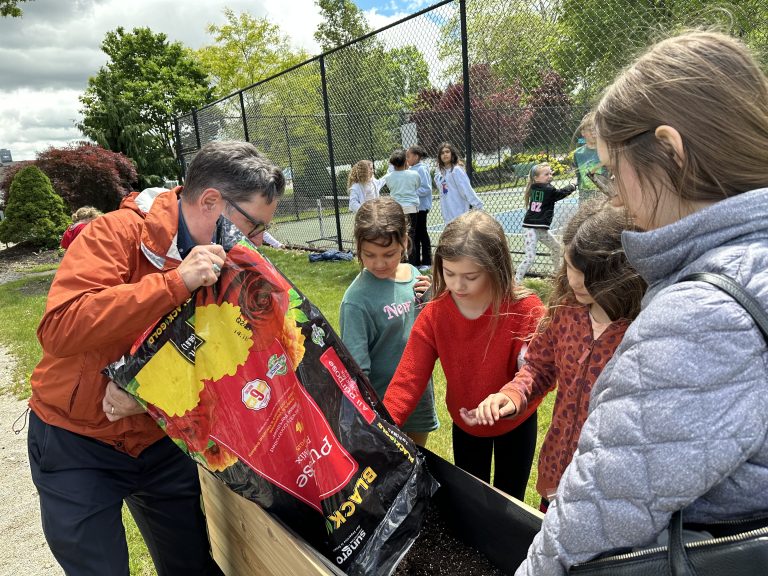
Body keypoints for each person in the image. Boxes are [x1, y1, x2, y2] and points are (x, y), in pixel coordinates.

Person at [514, 30, 768, 575]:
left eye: (612, 171)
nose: (615, 197)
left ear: (671, 153)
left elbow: (594, 518)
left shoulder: (702, 317)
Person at [27, 140, 285, 576]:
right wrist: (174, 283)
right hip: (77, 441)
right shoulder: (113, 234)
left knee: (191, 564)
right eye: (254, 226)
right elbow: (59, 328)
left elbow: (218, 356)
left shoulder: (232, 262)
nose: (259, 241)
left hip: (159, 437)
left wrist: (147, 394)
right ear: (211, 202)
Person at [460, 200, 646, 512]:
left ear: (622, 273)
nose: (575, 282)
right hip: (557, 469)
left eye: (589, 275)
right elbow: (539, 365)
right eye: (571, 268)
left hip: (609, 487)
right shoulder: (565, 309)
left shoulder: (643, 328)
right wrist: (513, 394)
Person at [383, 210, 544, 500]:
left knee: (510, 501)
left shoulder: (526, 309)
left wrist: (509, 400)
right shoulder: (434, 313)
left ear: (496, 267)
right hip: (466, 424)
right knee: (471, 501)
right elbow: (407, 379)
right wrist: (381, 427)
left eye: (470, 276)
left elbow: (537, 371)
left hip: (517, 425)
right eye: (449, 273)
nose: (457, 286)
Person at [340, 197, 437, 446]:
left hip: (419, 398)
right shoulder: (356, 300)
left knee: (420, 464)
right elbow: (357, 370)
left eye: (389, 253)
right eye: (369, 255)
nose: (379, 263)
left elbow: (433, 334)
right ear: (358, 247)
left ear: (405, 241)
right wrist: (372, 416)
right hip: (384, 408)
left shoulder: (416, 276)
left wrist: (434, 301)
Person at [514, 163, 576, 283]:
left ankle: (556, 273)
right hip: (530, 228)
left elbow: (554, 193)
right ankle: (516, 281)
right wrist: (572, 186)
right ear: (536, 178)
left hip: (541, 230)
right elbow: (559, 194)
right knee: (530, 257)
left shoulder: (536, 187)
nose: (550, 175)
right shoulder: (548, 189)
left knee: (556, 247)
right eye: (546, 174)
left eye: (550, 173)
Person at [434, 142, 483, 224]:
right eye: (442, 153)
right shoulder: (440, 173)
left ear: (452, 154)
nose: (445, 154)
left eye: (447, 152)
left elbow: (467, 190)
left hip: (460, 213)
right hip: (447, 214)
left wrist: (478, 205)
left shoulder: (456, 170)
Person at [406, 145, 433, 271]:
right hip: (414, 208)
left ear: (416, 157)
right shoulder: (411, 169)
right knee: (414, 234)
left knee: (422, 233)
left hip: (421, 208)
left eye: (408, 156)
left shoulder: (421, 169)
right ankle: (416, 261)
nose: (407, 159)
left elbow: (426, 189)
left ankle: (427, 261)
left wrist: (411, 192)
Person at [572, 111, 607, 203]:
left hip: (603, 193)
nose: (593, 133)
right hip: (585, 195)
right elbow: (578, 175)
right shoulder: (577, 154)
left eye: (596, 129)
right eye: (590, 130)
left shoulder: (606, 150)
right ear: (583, 132)